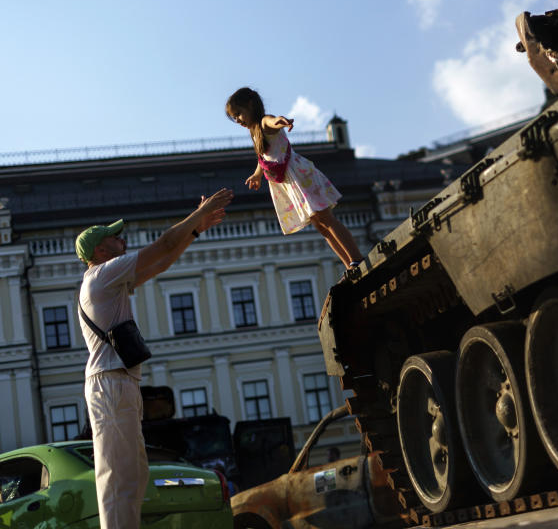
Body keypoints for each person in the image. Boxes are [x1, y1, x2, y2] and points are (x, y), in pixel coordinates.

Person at [75, 188, 233, 529]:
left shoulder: (109, 281)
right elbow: (161, 246)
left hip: (118, 382)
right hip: (111, 382)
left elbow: (161, 261)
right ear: (100, 250)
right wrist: (197, 216)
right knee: (119, 477)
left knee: (132, 473)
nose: (123, 240)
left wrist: (193, 231)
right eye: (116, 238)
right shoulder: (103, 276)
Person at [225, 86, 363, 269]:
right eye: (234, 117)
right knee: (321, 226)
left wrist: (282, 121)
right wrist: (257, 175)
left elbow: (273, 122)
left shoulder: (264, 121)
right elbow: (263, 158)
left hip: (299, 176)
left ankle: (356, 258)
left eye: (239, 113)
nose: (237, 120)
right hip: (291, 182)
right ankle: (349, 264)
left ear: (250, 105)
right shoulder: (255, 131)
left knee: (326, 219)